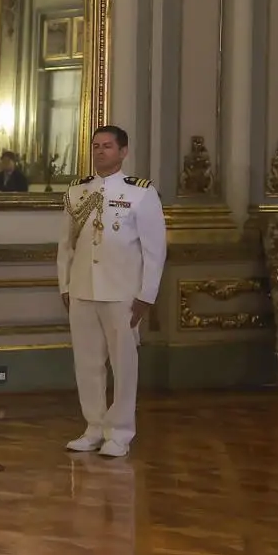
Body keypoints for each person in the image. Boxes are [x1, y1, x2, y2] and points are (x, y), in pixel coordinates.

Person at [58, 125, 165, 458]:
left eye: (107, 146)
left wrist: (146, 296)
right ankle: (93, 427)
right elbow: (65, 246)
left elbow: (154, 249)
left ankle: (119, 432)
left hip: (122, 293)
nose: (100, 151)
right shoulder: (77, 192)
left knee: (123, 365)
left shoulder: (141, 193)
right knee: (87, 364)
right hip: (83, 289)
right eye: (95, 146)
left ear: (123, 152)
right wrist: (65, 285)